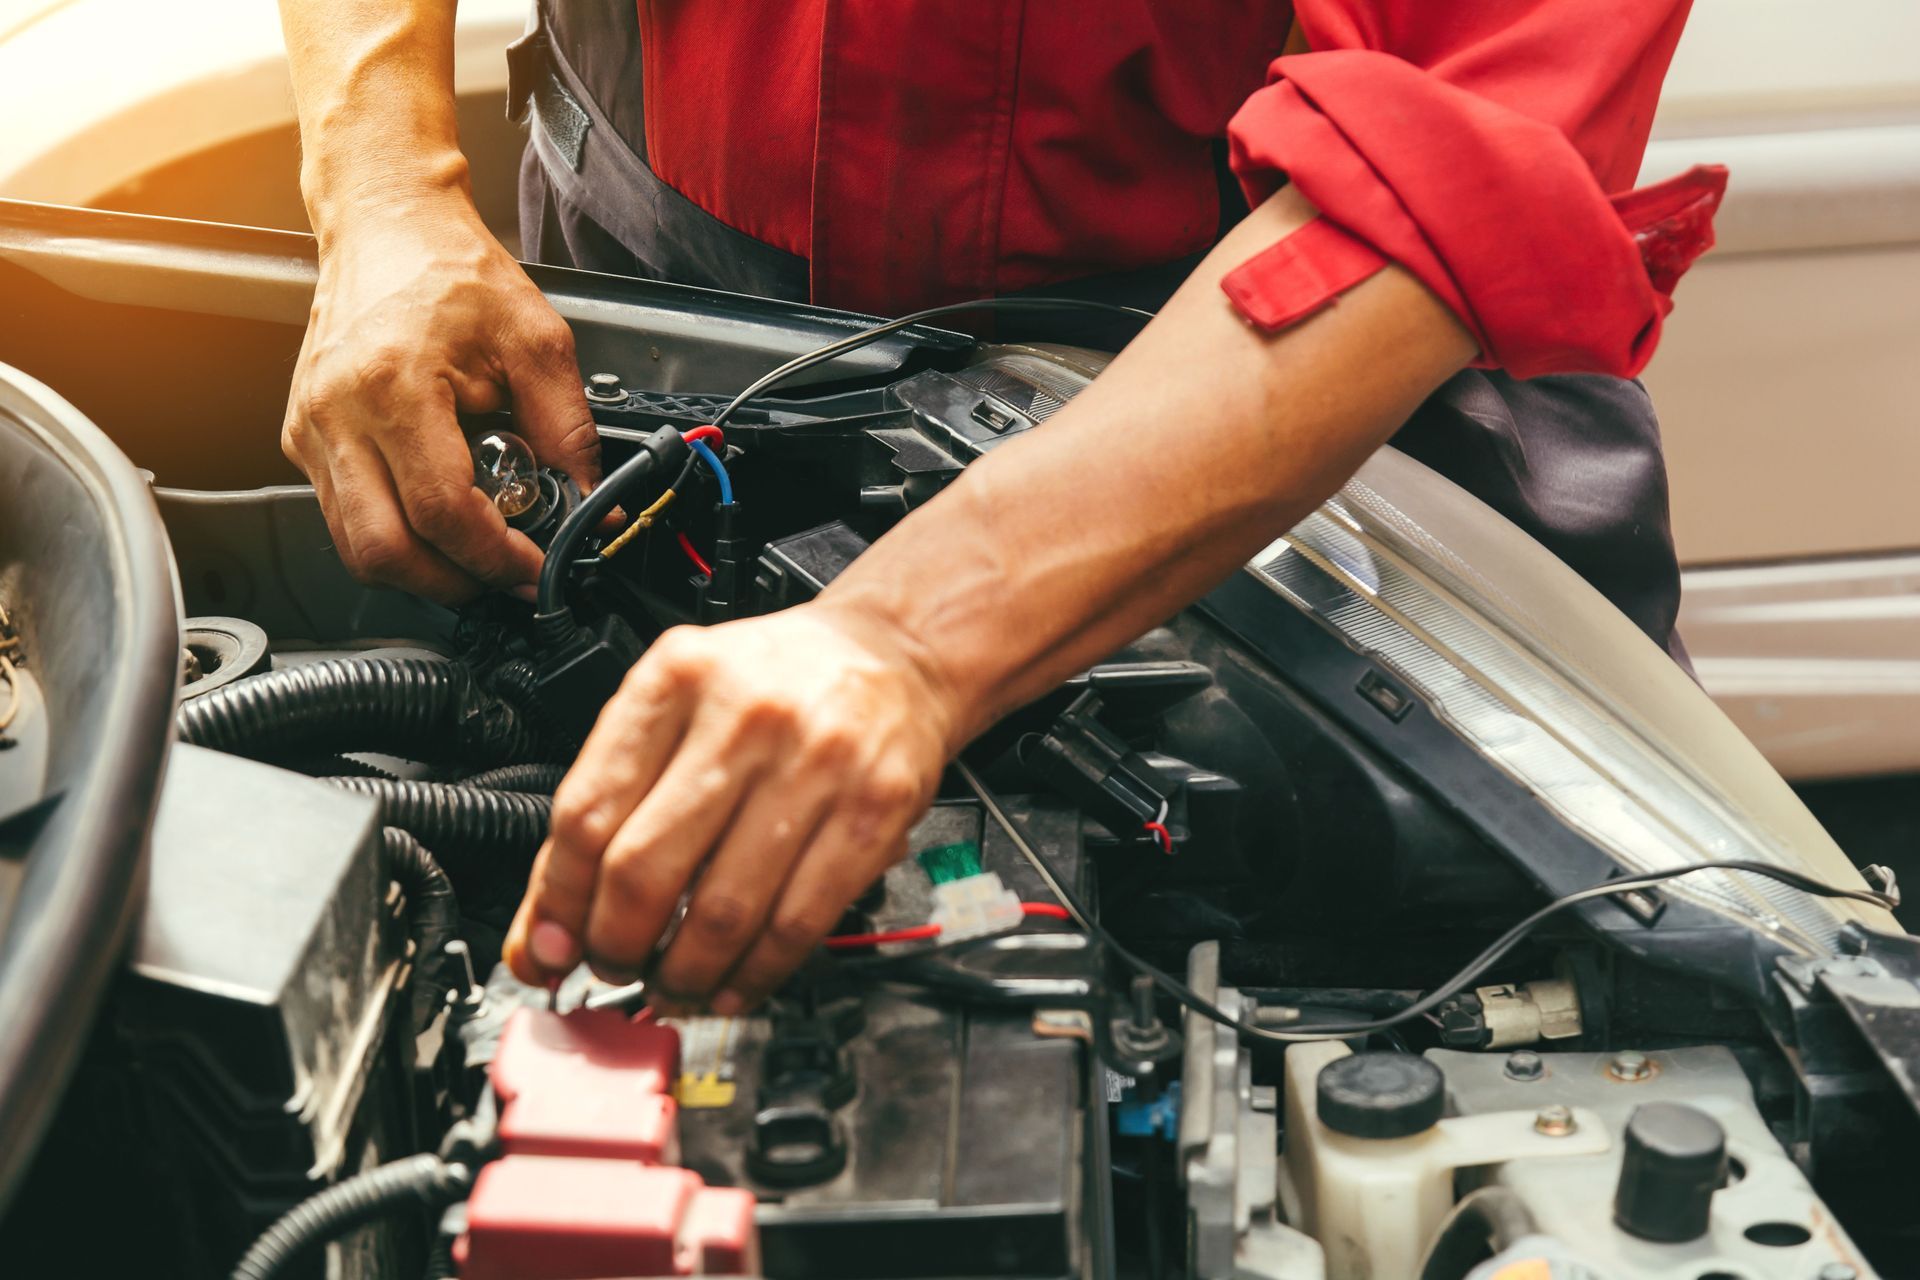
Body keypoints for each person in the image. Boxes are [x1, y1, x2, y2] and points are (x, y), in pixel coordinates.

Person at [275, 0, 1724, 1013]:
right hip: (665, 323)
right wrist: (383, 183)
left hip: (1290, 403)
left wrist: (900, 641)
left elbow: (1453, 149)